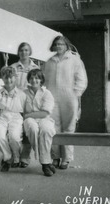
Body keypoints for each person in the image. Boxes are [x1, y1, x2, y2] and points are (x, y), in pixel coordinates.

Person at [43, 36, 88, 169]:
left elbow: (81, 79)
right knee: (54, 127)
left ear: (66, 45)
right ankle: (55, 157)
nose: (58, 46)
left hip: (69, 97)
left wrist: (76, 94)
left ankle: (67, 158)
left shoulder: (74, 60)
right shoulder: (49, 62)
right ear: (53, 46)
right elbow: (44, 81)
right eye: (56, 44)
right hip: (52, 98)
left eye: (61, 44)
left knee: (68, 127)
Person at [0, 66, 27, 172]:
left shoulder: (21, 94)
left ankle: (16, 156)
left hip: (16, 117)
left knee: (15, 137)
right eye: (6, 77)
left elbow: (26, 112)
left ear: (15, 77)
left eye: (11, 77)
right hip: (2, 117)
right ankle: (8, 158)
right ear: (2, 78)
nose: (8, 80)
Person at [23, 69, 56, 176]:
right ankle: (46, 162)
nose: (34, 80)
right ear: (28, 79)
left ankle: (45, 163)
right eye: (31, 78)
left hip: (44, 119)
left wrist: (28, 114)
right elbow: (21, 111)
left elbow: (45, 113)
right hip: (29, 120)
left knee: (46, 130)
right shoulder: (24, 93)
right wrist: (28, 116)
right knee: (33, 129)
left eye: (37, 78)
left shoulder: (47, 93)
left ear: (41, 80)